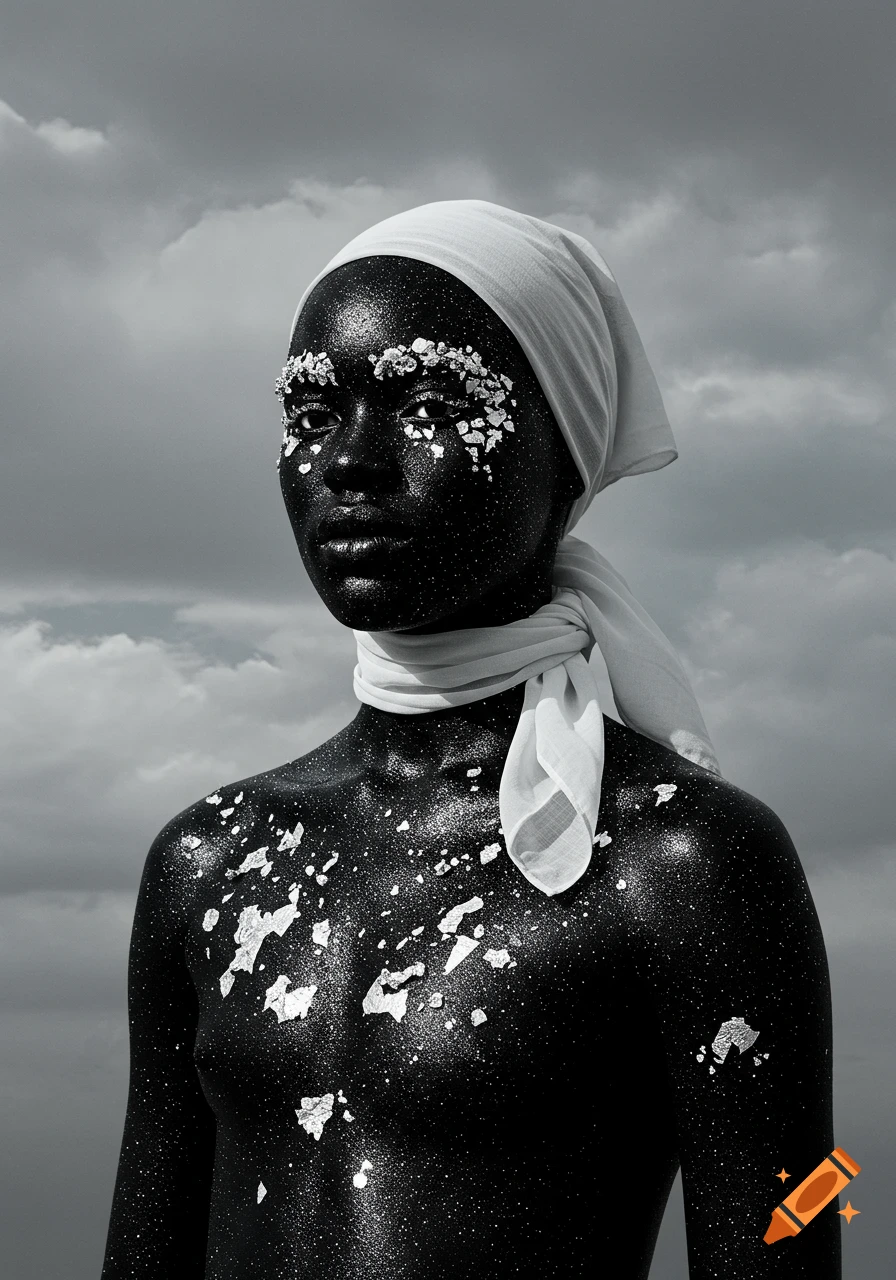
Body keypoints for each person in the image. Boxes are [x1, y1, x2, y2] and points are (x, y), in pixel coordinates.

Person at [102, 201, 839, 1278]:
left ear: (568, 455)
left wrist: (832, 1181)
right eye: (311, 407)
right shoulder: (209, 858)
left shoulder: (676, 860)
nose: (349, 458)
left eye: (431, 399)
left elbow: (792, 1218)